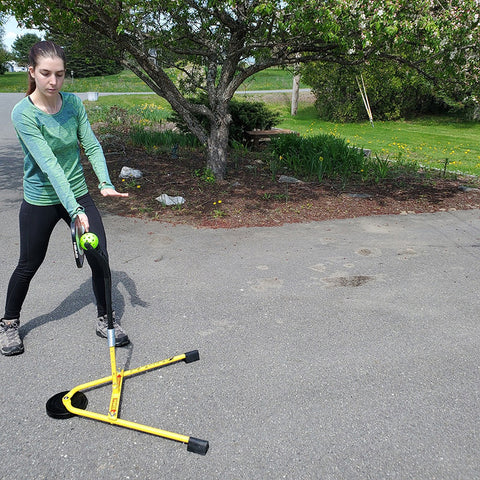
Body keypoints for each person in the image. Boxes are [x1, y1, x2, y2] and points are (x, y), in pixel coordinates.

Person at [0, 40, 129, 356]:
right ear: (32, 72)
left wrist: (104, 182)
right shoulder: (23, 113)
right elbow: (50, 165)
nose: (53, 82)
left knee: (100, 258)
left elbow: (93, 146)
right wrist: (74, 210)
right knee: (29, 263)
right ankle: (9, 323)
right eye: (45, 74)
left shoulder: (72, 104)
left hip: (79, 194)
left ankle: (105, 319)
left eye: (59, 74)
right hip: (41, 199)